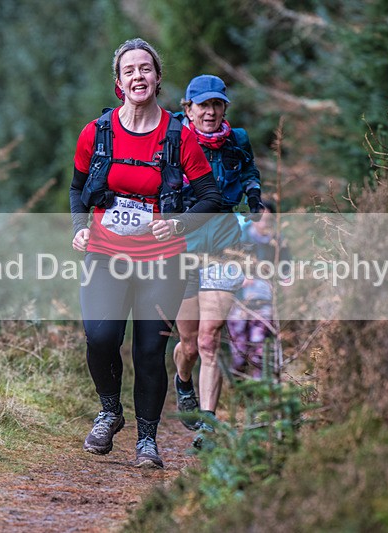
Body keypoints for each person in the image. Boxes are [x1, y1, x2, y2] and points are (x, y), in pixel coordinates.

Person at [69, 39, 221, 468]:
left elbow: (210, 197)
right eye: (130, 70)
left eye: (146, 69)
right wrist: (80, 228)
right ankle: (109, 412)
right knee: (100, 338)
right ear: (119, 82)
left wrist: (178, 223)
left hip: (163, 259)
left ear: (157, 78)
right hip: (104, 253)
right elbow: (78, 188)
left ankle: (147, 441)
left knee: (148, 351)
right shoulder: (96, 133)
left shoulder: (179, 136)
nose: (139, 76)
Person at [171, 74, 263, 448]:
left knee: (210, 339)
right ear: (188, 109)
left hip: (225, 248)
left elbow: (250, 171)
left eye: (216, 104)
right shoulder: (173, 140)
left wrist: (255, 195)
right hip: (182, 249)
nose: (209, 112)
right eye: (202, 105)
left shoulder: (237, 141)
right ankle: (183, 381)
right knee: (189, 344)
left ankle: (208, 423)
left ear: (224, 107)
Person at [227, 201, 290, 379]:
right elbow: (226, 266)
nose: (264, 223)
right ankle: (238, 389)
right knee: (239, 353)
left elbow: (287, 270)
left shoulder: (278, 242)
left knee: (259, 351)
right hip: (239, 304)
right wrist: (239, 279)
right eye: (261, 218)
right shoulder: (238, 239)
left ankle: (259, 391)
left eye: (268, 219)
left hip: (264, 304)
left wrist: (284, 287)